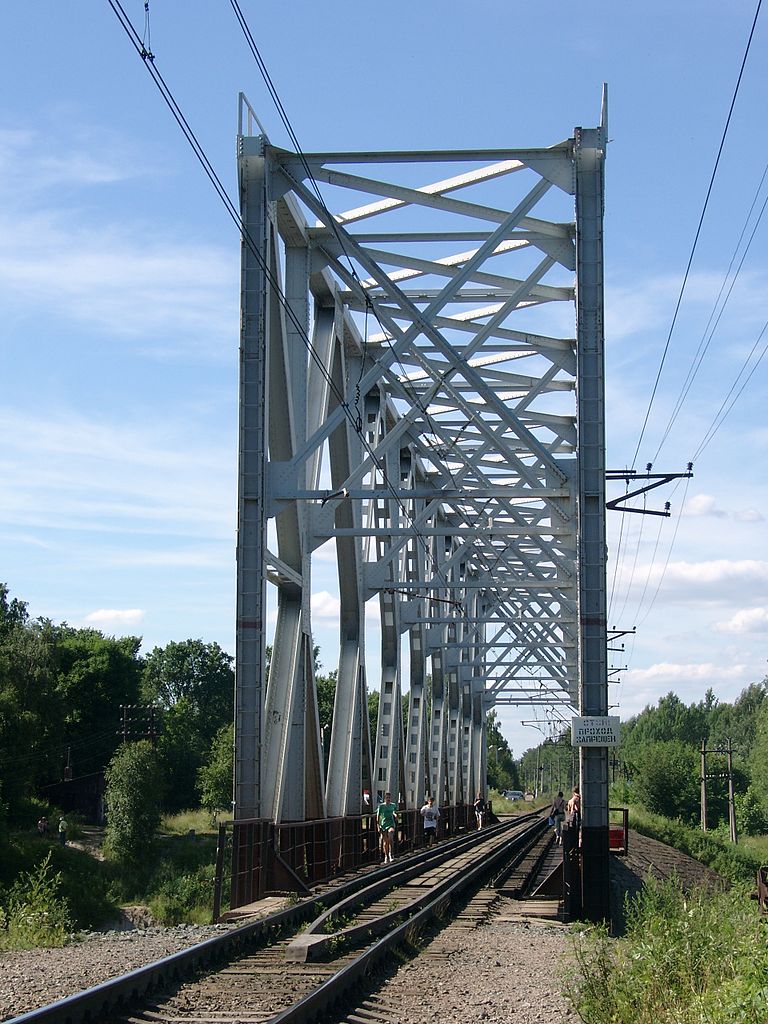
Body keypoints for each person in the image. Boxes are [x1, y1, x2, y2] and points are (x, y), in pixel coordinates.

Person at [377, 791, 398, 863]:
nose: (388, 799)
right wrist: (378, 826)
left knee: (391, 837)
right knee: (385, 842)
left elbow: (394, 811)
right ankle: (386, 856)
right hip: (383, 824)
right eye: (387, 798)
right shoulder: (381, 806)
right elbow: (378, 816)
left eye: (389, 797)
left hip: (391, 823)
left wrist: (395, 815)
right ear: (384, 798)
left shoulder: (393, 805)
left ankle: (391, 854)